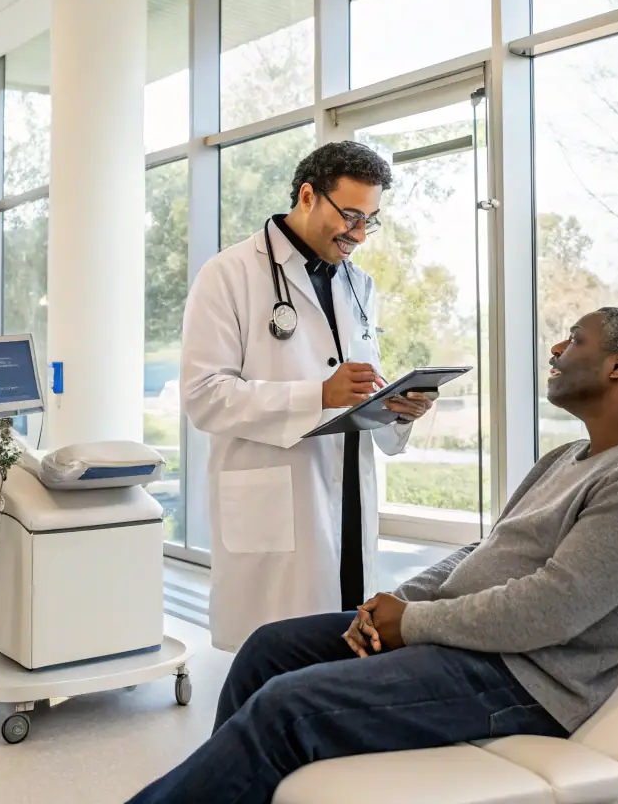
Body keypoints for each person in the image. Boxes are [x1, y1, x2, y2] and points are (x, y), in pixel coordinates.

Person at [129, 308, 618, 804]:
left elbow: (553, 608)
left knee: (288, 706)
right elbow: (487, 551)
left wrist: (415, 624)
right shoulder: (568, 456)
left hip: (524, 680)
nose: (556, 348)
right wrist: (394, 605)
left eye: (575, 339)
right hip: (468, 642)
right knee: (269, 649)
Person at [180, 141, 436, 654]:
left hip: (345, 497)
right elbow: (204, 396)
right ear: (306, 195)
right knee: (273, 656)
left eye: (371, 221)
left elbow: (358, 388)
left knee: (341, 645)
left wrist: (397, 409)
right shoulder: (228, 274)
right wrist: (317, 394)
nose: (359, 235)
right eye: (350, 216)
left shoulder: (358, 285)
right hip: (277, 499)